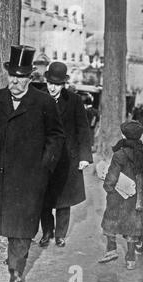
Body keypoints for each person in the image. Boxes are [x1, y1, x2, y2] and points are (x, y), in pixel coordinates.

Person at [0, 45, 65, 282]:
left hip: (31, 175)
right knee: (9, 219)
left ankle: (16, 268)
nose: (16, 81)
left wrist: (45, 165)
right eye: (12, 76)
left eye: (21, 77)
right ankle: (14, 254)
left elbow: (56, 136)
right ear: (7, 75)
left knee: (24, 221)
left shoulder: (43, 103)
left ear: (30, 78)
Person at [39, 62, 93, 248]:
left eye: (57, 84)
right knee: (43, 197)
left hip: (68, 158)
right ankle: (47, 232)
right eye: (50, 83)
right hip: (44, 158)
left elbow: (83, 129)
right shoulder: (38, 99)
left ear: (64, 84)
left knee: (64, 199)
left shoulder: (74, 101)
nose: (52, 87)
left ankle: (60, 235)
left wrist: (85, 156)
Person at [98, 121, 143, 270]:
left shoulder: (120, 155)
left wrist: (108, 187)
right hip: (136, 198)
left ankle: (111, 250)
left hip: (118, 197)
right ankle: (130, 259)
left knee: (110, 222)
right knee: (132, 227)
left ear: (123, 135)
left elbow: (112, 176)